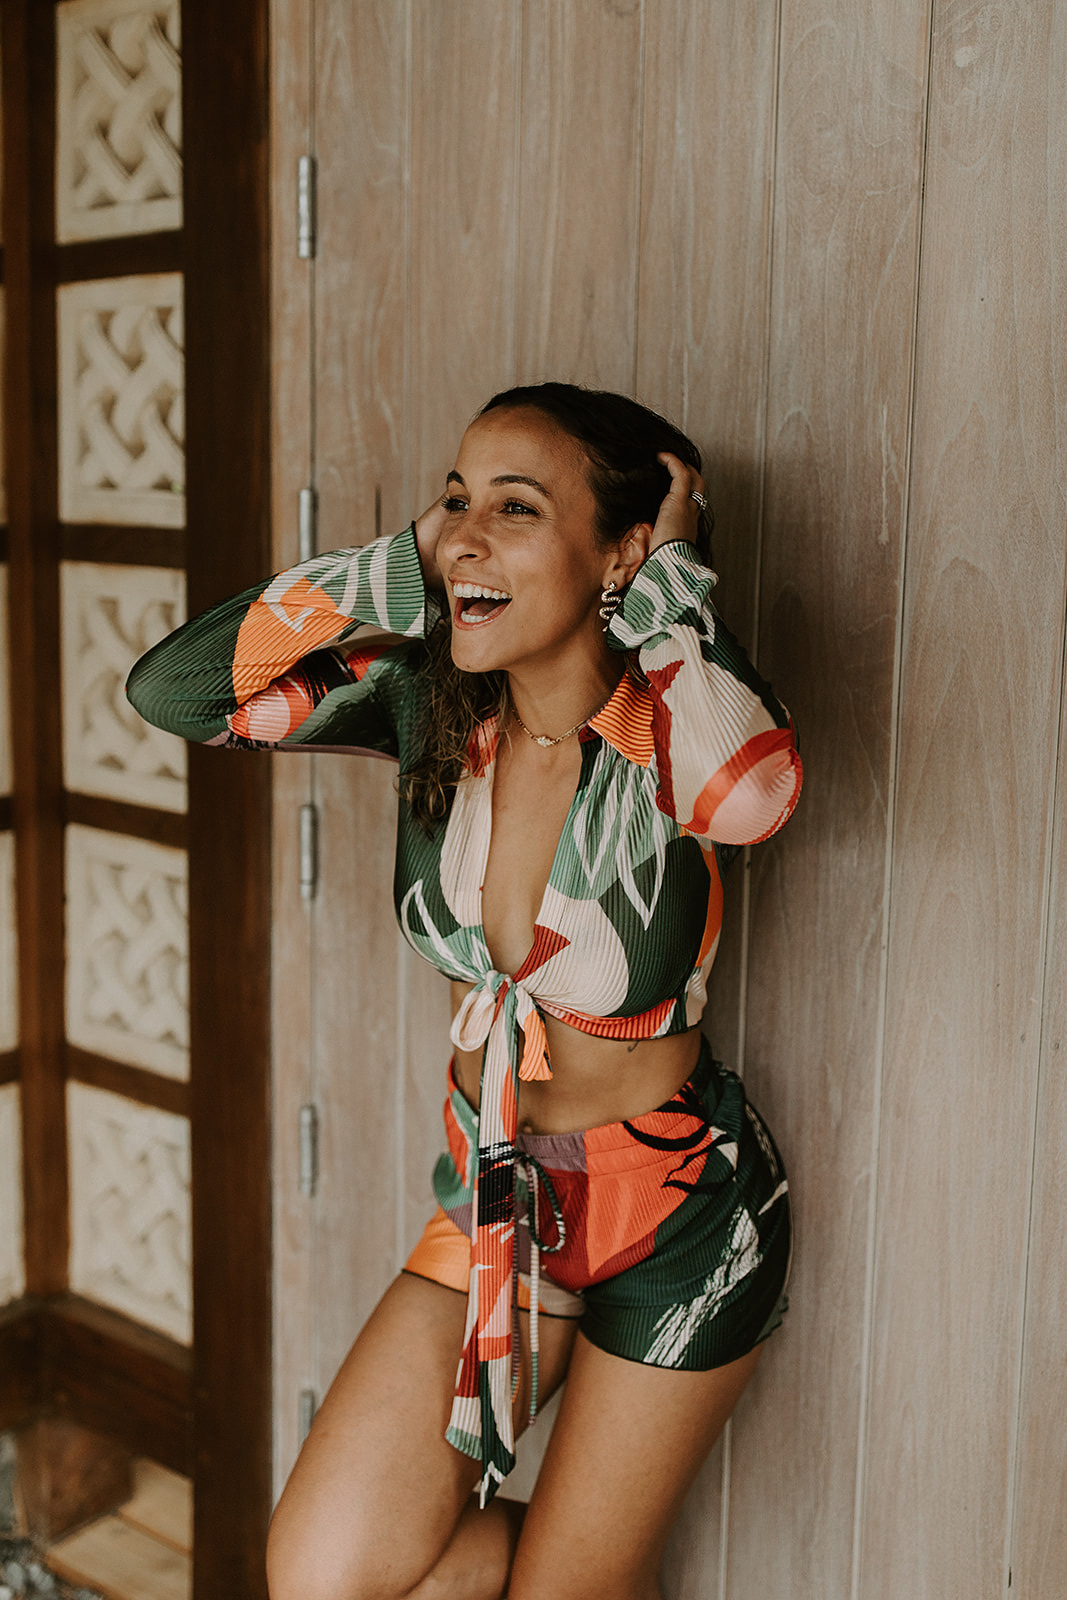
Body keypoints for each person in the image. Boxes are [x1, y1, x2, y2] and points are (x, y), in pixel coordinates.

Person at [126, 382, 802, 1600]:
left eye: (515, 507)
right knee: (322, 1576)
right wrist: (411, 563)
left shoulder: (670, 728)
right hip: (499, 1196)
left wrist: (669, 582)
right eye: (454, 500)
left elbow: (751, 796)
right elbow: (176, 692)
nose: (467, 534)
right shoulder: (428, 709)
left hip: (680, 1211)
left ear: (616, 553)